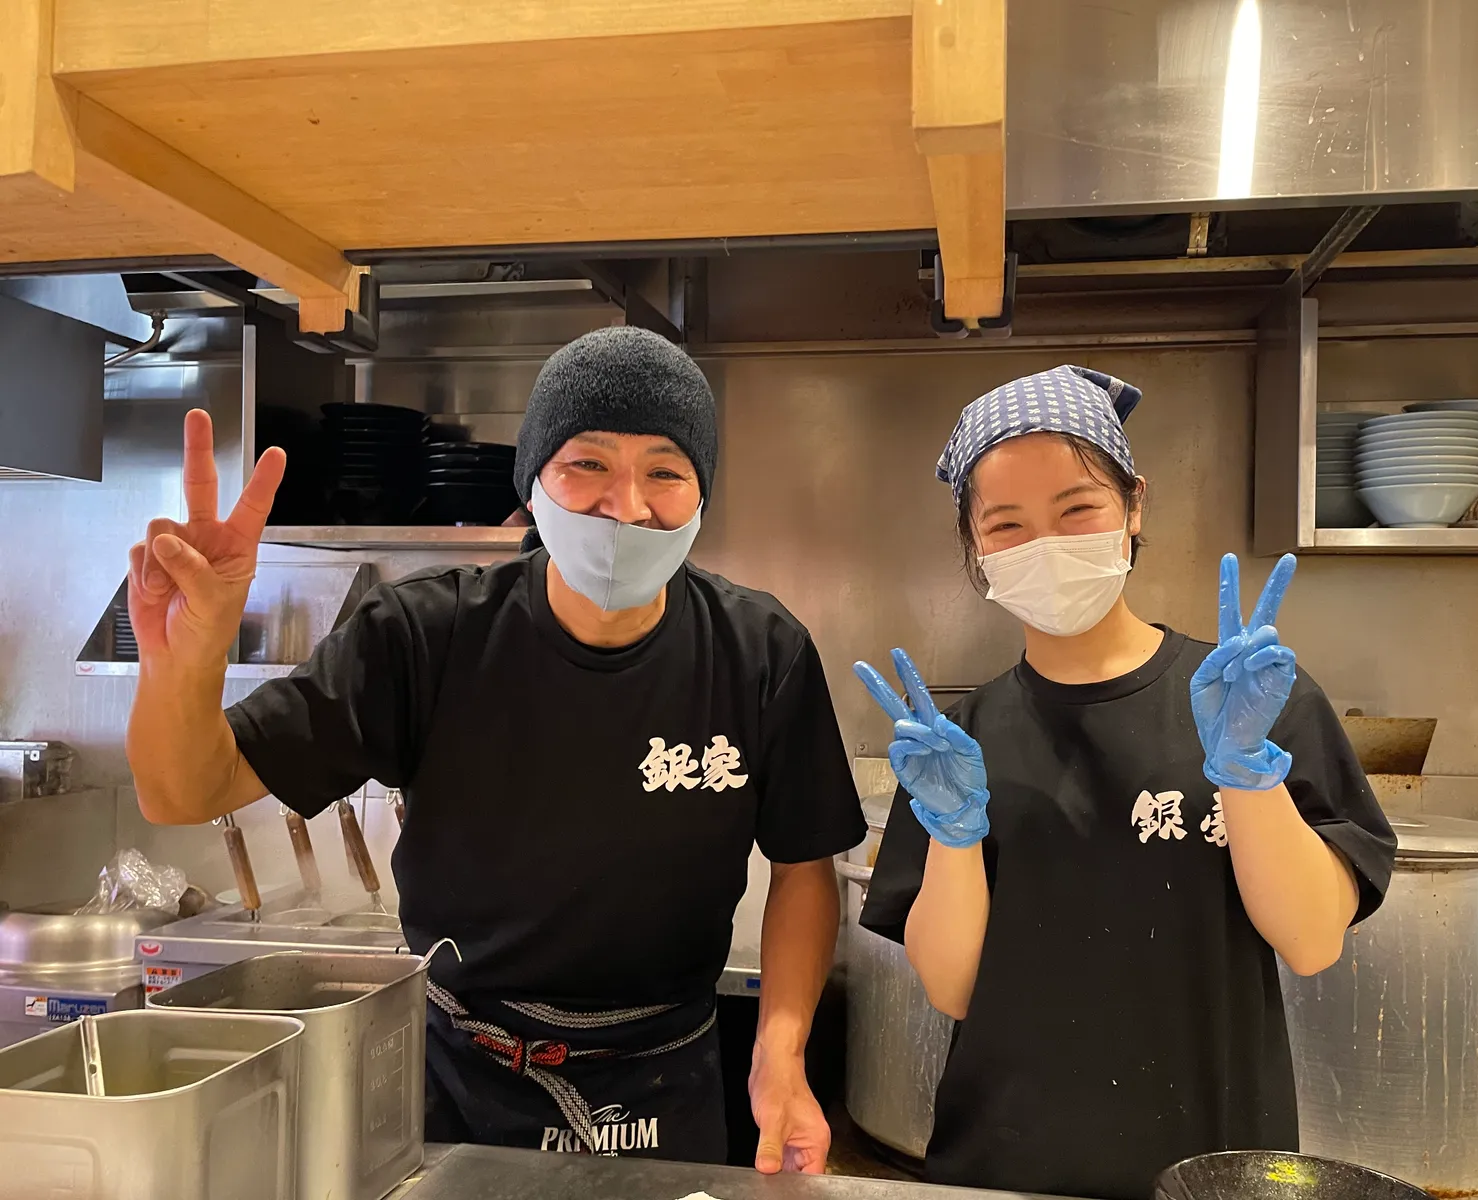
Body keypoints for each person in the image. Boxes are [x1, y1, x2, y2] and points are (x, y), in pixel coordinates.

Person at [126, 325, 865, 1170]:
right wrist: (187, 661)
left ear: (701, 497)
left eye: (665, 471)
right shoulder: (423, 635)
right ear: (533, 483)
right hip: (454, 1084)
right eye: (586, 464)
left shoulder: (761, 652)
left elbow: (806, 867)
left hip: (668, 1082)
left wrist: (780, 1050)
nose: (626, 505)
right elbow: (183, 792)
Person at [853, 365, 1396, 1200]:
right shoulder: (960, 742)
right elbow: (954, 990)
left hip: (1213, 1174)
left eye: (1077, 509)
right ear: (975, 546)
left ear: (1134, 504)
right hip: (1004, 1169)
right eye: (1006, 525)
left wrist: (1247, 777)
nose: (1046, 544)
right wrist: (956, 832)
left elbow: (1313, 940)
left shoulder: (1244, 700)